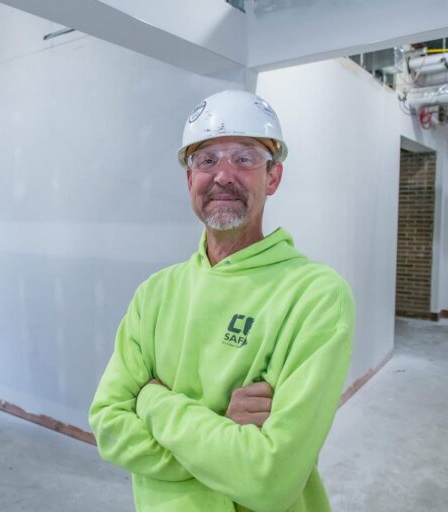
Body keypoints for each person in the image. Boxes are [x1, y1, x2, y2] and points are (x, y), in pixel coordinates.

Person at [88, 89, 355, 512]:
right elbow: (108, 426)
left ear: (273, 177)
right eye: (206, 160)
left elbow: (269, 479)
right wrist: (221, 436)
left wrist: (154, 400)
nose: (223, 175)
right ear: (189, 179)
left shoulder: (315, 296)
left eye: (245, 157)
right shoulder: (154, 293)